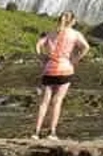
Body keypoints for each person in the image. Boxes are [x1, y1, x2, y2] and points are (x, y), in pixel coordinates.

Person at [33, 11, 90, 140]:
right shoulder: (75, 34)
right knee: (57, 101)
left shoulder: (51, 33)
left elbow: (38, 44)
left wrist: (41, 57)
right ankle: (52, 133)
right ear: (73, 21)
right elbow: (86, 47)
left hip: (49, 69)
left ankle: (36, 132)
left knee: (44, 102)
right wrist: (75, 59)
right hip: (65, 68)